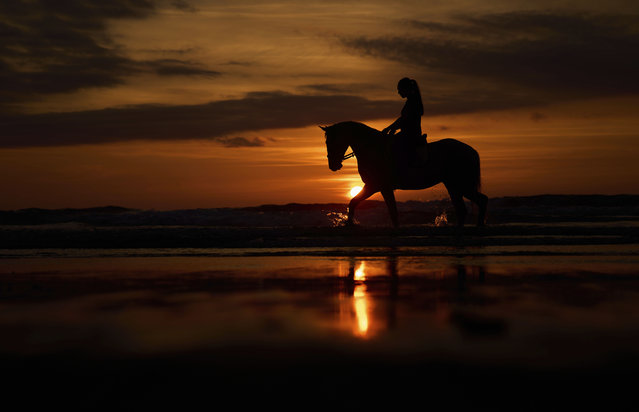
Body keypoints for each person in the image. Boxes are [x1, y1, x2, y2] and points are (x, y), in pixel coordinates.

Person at [382, 77, 427, 171]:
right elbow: (403, 119)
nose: (398, 92)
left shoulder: (413, 102)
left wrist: (390, 128)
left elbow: (405, 120)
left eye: (400, 90)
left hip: (410, 135)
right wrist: (391, 128)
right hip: (408, 133)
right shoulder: (411, 101)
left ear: (406, 89)